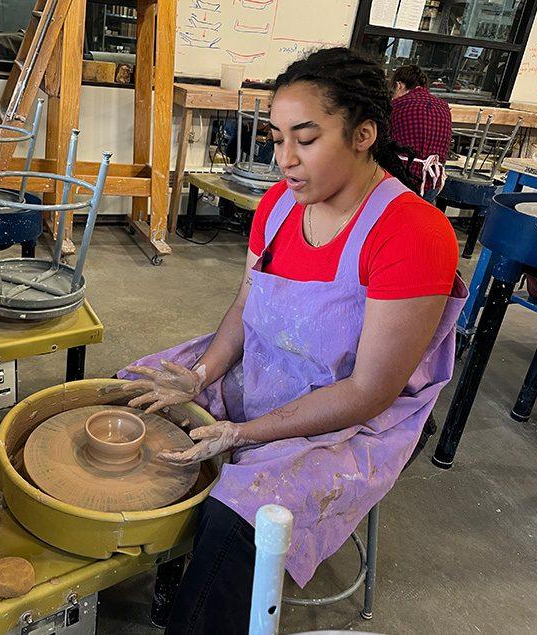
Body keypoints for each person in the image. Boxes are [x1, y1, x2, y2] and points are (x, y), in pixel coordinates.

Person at [117, 47, 467, 634]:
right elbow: (247, 306)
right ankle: (179, 557)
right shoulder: (279, 205)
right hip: (269, 364)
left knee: (242, 514)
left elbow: (369, 391)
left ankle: (204, 595)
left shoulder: (413, 233)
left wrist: (241, 433)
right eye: (276, 138)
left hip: (354, 414)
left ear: (363, 134)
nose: (284, 160)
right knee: (134, 395)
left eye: (305, 139)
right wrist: (199, 376)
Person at [390, 65, 452, 204]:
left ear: (399, 85)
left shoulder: (398, 105)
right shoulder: (443, 106)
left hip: (403, 180)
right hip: (433, 181)